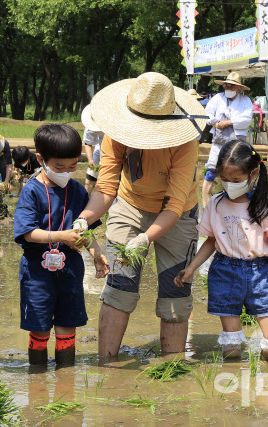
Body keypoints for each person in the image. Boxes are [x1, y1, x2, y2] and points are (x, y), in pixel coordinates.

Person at [74, 72, 208, 357]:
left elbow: (173, 207)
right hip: (130, 204)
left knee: (176, 288)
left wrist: (144, 238)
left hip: (178, 214)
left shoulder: (184, 141)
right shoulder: (117, 133)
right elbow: (106, 188)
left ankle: (173, 366)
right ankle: (106, 365)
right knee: (119, 285)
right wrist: (84, 218)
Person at [174, 140, 268, 362]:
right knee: (232, 346)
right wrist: (191, 269)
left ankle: (267, 380)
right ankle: (234, 389)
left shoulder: (266, 205)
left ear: (253, 174)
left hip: (259, 273)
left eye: (236, 180)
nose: (229, 185)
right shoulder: (215, 204)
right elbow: (210, 242)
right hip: (224, 272)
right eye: (224, 180)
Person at [13, 123, 109, 367]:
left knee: (68, 324)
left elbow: (85, 231)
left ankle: (66, 375)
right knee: (40, 327)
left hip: (70, 269)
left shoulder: (77, 190)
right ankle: (38, 377)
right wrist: (61, 236)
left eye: (73, 166)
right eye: (59, 167)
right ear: (40, 159)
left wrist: (97, 253)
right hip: (37, 271)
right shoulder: (32, 191)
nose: (67, 171)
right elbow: (27, 234)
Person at [203, 72, 253, 201]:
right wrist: (214, 122)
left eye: (232, 86)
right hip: (219, 140)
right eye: (227, 85)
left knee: (238, 170)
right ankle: (205, 199)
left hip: (236, 143)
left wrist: (229, 122)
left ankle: (237, 198)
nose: (228, 88)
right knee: (211, 170)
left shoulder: (245, 101)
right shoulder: (218, 98)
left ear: (238, 88)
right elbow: (207, 112)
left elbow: (247, 119)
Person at [80, 105, 104, 195]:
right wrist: (90, 159)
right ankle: (85, 200)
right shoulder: (91, 123)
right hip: (101, 146)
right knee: (91, 174)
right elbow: (88, 143)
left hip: (118, 148)